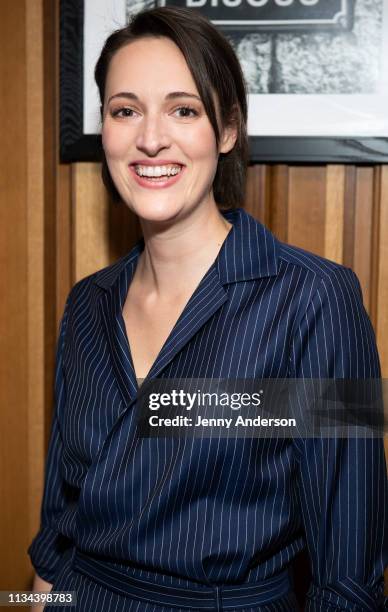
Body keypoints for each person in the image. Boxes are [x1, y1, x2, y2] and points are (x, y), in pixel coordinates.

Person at [28, 6, 388, 611]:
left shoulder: (318, 299)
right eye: (125, 110)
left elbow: (349, 573)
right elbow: (58, 535)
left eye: (183, 109)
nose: (150, 137)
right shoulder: (86, 304)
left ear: (226, 130)